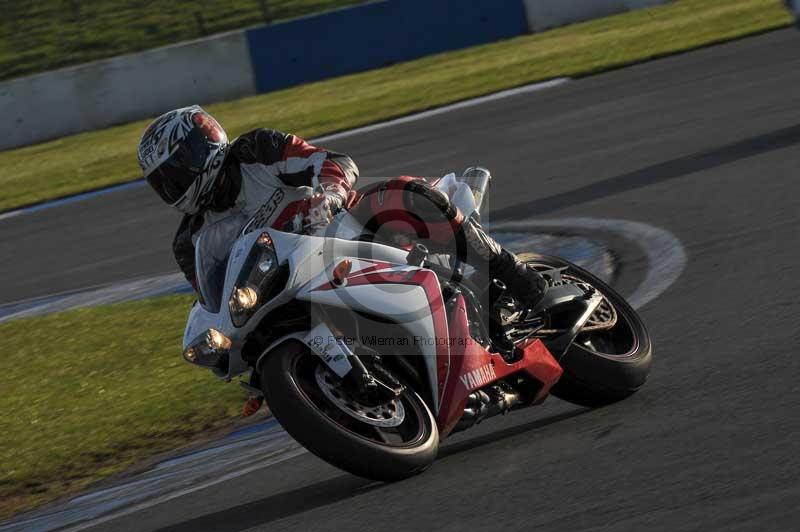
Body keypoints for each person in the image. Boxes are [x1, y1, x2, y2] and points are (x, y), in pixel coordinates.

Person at [137, 105, 547, 307]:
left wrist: (329, 193)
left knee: (402, 193)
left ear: (199, 149)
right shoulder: (189, 240)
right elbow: (213, 299)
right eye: (162, 182)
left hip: (350, 228)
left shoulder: (255, 150)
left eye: (174, 171)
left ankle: (515, 274)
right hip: (296, 283)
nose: (172, 186)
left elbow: (331, 162)